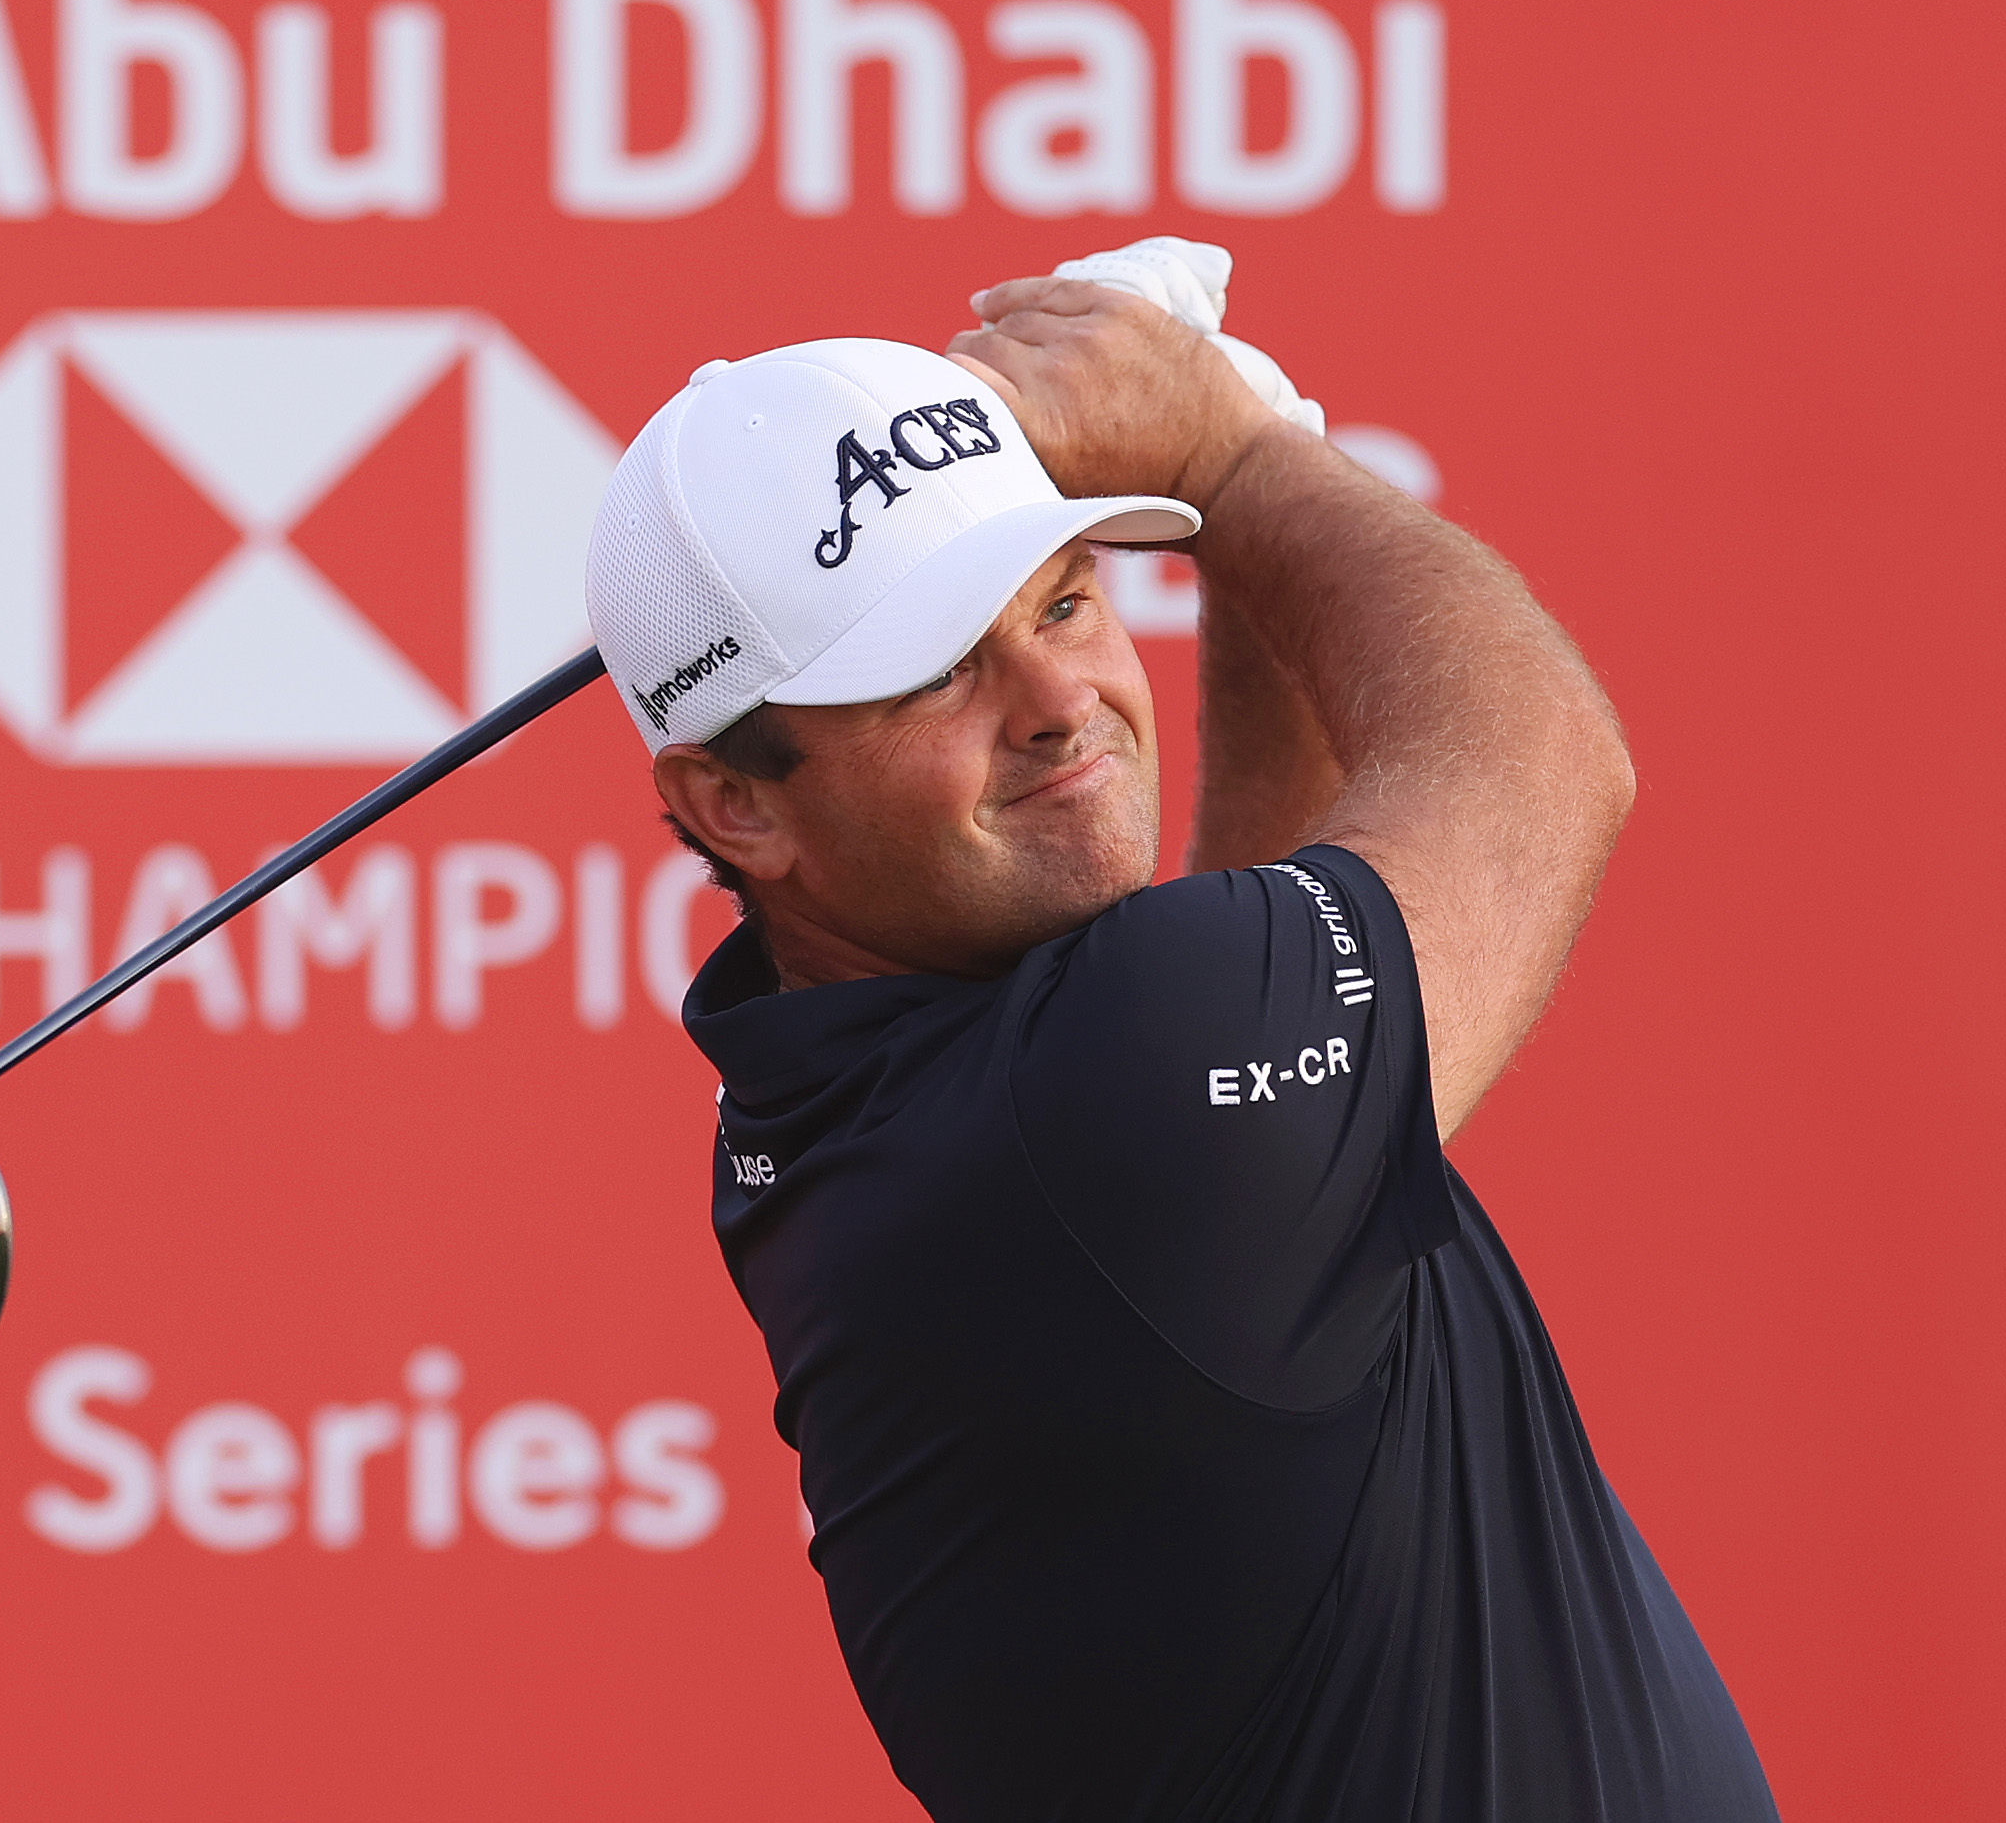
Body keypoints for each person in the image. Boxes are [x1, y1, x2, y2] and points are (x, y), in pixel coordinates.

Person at [581, 255, 1777, 1822]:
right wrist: (1231, 459)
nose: (1058, 698)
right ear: (734, 802)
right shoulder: (1096, 1105)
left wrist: (1244, 525)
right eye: (939, 669)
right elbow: (1543, 764)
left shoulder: (864, 1084)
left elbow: (1248, 953)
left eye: (1065, 599)